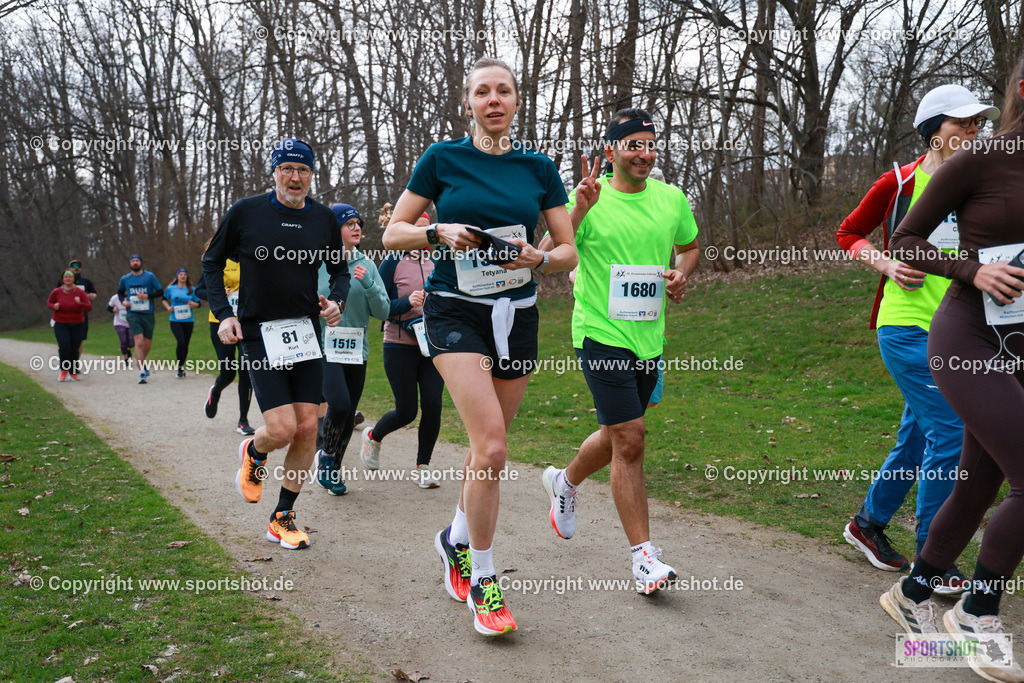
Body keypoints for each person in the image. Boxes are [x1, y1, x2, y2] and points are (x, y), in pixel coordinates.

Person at [382, 57, 577, 636]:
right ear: (468, 102)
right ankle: (485, 581)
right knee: (492, 448)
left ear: (517, 101)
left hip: (515, 315)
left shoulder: (539, 168)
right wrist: (434, 231)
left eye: (504, 91)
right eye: (482, 92)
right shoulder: (442, 159)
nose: (494, 100)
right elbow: (392, 232)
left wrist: (539, 258)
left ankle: (453, 539)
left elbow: (567, 250)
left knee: (482, 448)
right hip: (452, 311)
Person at [881, 62, 1024, 683]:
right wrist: (971, 271)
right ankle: (977, 610)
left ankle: (912, 593)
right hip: (967, 336)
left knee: (978, 482)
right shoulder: (980, 160)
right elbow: (906, 237)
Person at [837, 85, 998, 593]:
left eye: (977, 124)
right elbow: (848, 233)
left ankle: (867, 525)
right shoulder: (900, 181)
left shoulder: (983, 182)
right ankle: (936, 558)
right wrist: (884, 261)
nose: (972, 132)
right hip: (905, 327)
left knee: (918, 435)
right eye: (961, 123)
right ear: (932, 132)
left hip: (961, 333)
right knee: (950, 431)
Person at [538, 109, 699, 594]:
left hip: (649, 338)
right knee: (631, 438)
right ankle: (644, 559)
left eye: (650, 144)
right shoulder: (588, 198)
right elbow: (545, 258)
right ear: (610, 152)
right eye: (633, 145)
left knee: (617, 432)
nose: (645, 154)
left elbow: (690, 246)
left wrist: (682, 272)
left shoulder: (672, 199)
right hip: (599, 334)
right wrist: (580, 209)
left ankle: (564, 482)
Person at [202, 138, 350, 551]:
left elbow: (338, 270)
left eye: (303, 170)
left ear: (311, 175)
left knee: (307, 429)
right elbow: (211, 262)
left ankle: (282, 516)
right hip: (258, 332)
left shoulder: (322, 219)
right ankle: (254, 448)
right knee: (282, 429)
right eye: (287, 169)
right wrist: (224, 313)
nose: (295, 177)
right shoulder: (246, 212)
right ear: (274, 173)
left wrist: (337, 300)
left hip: (304, 332)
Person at [366, 207, 445, 489]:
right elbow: (379, 308)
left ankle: (423, 467)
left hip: (432, 345)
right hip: (398, 344)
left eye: (428, 232)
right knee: (407, 410)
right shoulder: (391, 263)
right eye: (420, 231)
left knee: (433, 405)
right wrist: (407, 303)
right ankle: (373, 436)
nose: (425, 238)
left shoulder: (438, 261)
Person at [314, 204, 389, 496]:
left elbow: (383, 312)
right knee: (341, 405)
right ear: (334, 230)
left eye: (359, 223)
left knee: (345, 417)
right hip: (322, 346)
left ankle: (331, 470)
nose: (357, 228)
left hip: (356, 350)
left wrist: (369, 283)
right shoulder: (316, 262)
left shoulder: (367, 264)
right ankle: (327, 458)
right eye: (349, 224)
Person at [196, 255, 256, 435]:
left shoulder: (252, 258)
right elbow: (199, 290)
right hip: (221, 322)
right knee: (228, 372)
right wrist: (217, 294)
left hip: (246, 321)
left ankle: (243, 420)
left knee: (247, 370)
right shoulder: (218, 259)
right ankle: (215, 392)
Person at [117, 254, 163, 384]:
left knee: (147, 344)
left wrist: (147, 296)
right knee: (139, 341)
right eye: (133, 261)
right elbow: (120, 292)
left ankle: (141, 362)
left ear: (141, 263)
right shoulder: (125, 279)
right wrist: (123, 302)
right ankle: (142, 371)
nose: (135, 263)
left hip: (148, 313)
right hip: (133, 313)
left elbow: (160, 292)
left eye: (137, 261)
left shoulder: (150, 276)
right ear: (130, 264)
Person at [48, 269, 93, 381]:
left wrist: (80, 303)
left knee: (74, 348)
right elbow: (49, 302)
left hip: (77, 323)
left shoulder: (80, 292)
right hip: (61, 323)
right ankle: (64, 371)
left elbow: (89, 307)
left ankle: (73, 372)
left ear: (74, 279)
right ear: (63, 279)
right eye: (66, 277)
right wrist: (54, 306)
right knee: (64, 346)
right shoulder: (56, 291)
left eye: (70, 277)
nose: (68, 279)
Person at [162, 268, 202, 378]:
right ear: (177, 277)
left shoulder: (192, 289)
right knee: (181, 342)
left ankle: (181, 366)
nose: (183, 276)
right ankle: (180, 366)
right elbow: (164, 299)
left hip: (188, 320)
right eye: (180, 274)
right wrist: (168, 307)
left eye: (185, 274)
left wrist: (193, 304)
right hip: (175, 320)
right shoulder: (171, 289)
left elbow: (199, 304)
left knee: (186, 344)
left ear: (187, 277)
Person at [59, 259, 98, 357]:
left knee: (79, 340)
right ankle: (66, 360)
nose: (76, 268)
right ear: (69, 268)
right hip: (65, 315)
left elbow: (94, 293)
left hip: (81, 314)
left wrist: (89, 296)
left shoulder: (86, 281)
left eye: (78, 266)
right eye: (73, 266)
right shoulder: (62, 281)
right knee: (66, 340)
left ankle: (75, 362)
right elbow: (56, 296)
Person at [107, 293, 134, 362]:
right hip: (119, 323)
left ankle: (127, 349)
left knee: (131, 342)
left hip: (131, 322)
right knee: (123, 340)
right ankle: (125, 358)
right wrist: (113, 309)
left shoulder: (133, 296)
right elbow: (108, 308)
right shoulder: (115, 298)